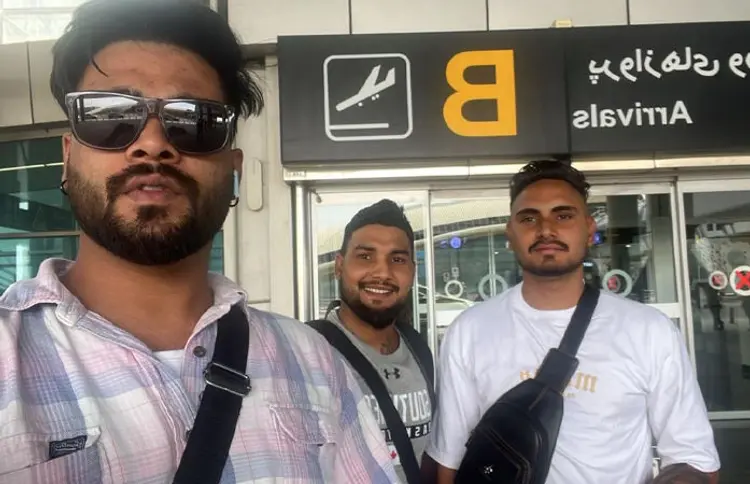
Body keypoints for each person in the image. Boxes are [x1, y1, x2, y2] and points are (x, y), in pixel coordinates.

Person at [0, 1, 399, 483]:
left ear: (233, 170)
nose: (153, 144)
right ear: (68, 157)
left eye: (194, 121)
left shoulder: (315, 363)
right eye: (110, 115)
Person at [424, 160, 720, 483]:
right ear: (510, 233)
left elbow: (694, 459)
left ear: (590, 230)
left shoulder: (649, 331)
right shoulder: (469, 331)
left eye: (563, 216)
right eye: (529, 218)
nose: (546, 229)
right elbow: (449, 460)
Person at [309, 200, 435, 483]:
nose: (382, 273)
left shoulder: (418, 348)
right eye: (365, 256)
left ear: (412, 271)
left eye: (397, 259)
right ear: (339, 266)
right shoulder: (308, 352)